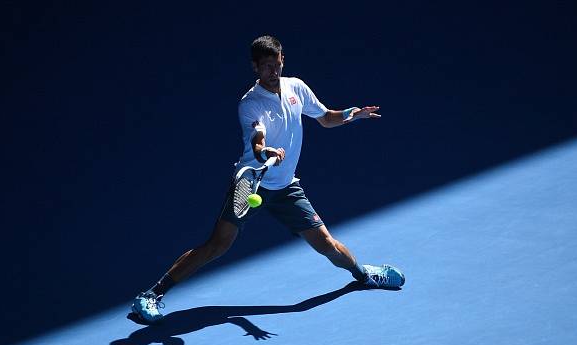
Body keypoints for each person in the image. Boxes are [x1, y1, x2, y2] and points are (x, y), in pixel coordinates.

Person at [132, 35, 405, 323]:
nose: (273, 72)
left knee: (326, 243)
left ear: (282, 60)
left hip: (286, 187)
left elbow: (326, 118)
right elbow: (257, 140)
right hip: (252, 183)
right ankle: (151, 295)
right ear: (255, 67)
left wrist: (352, 114)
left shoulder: (296, 88)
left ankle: (363, 275)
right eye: (266, 67)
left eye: (276, 65)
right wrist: (265, 153)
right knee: (217, 246)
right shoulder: (250, 103)